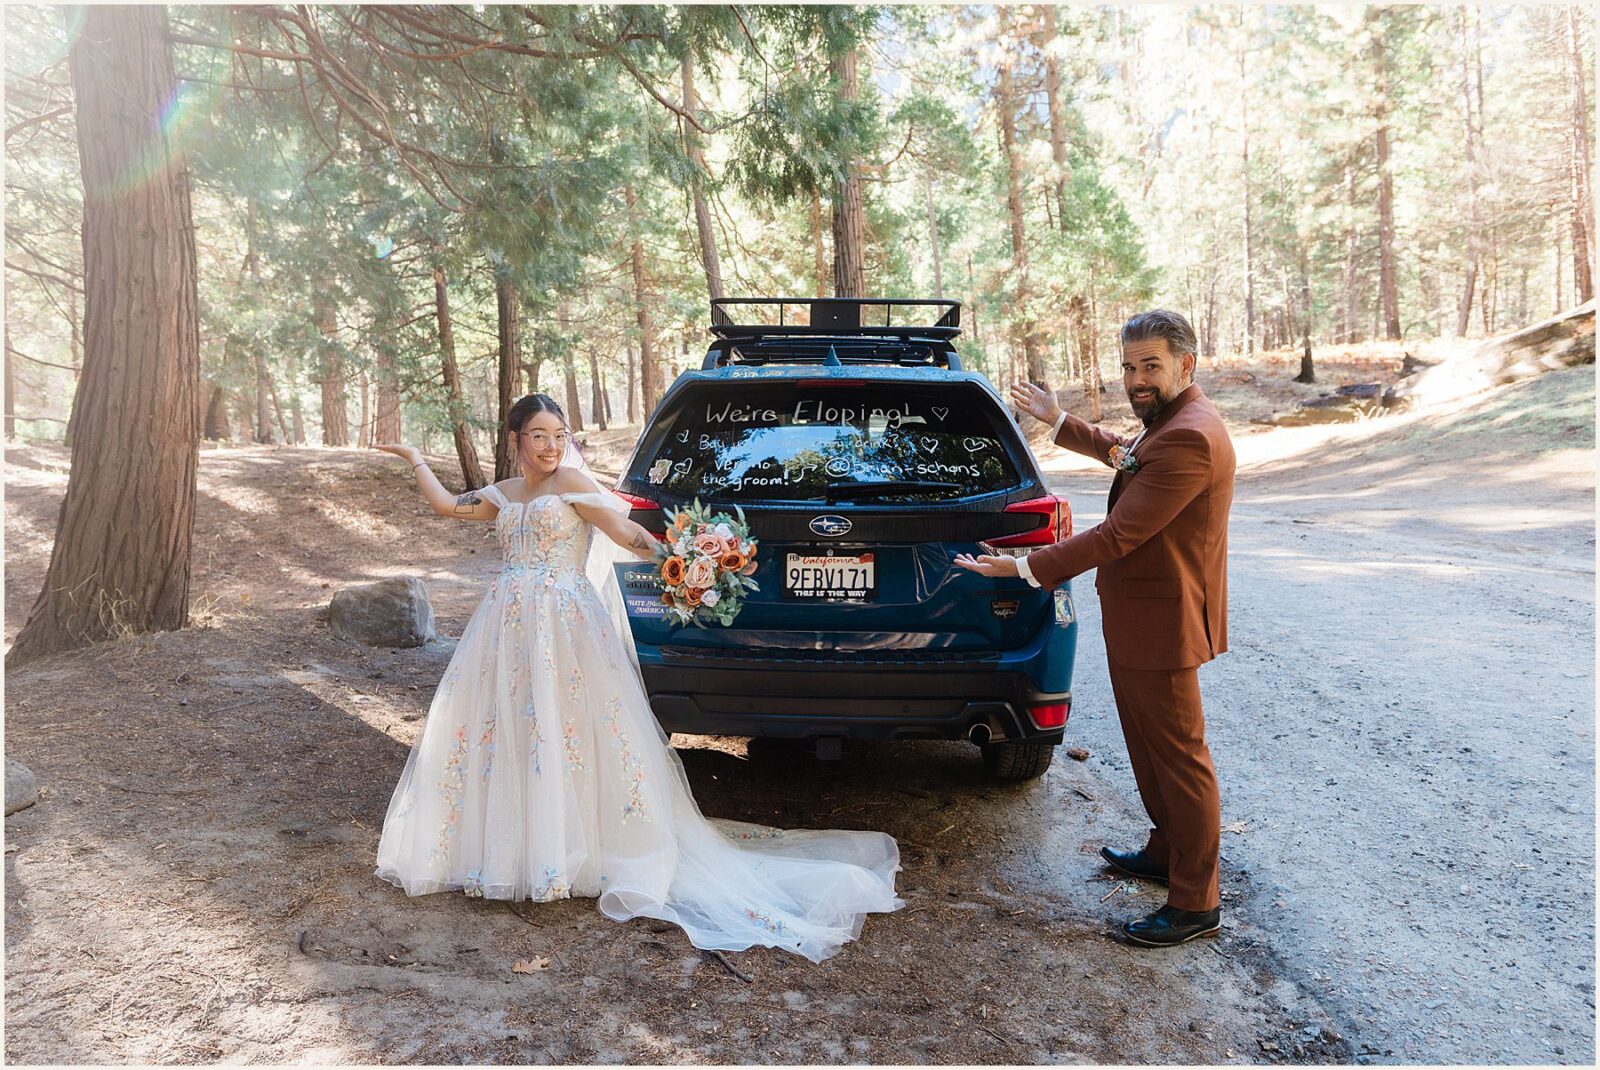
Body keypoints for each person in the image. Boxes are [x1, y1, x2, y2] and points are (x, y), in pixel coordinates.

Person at [370, 393, 902, 962]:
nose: (551, 446)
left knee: (566, 726)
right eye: (539, 436)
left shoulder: (571, 481)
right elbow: (448, 506)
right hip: (507, 625)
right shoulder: (505, 492)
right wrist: (414, 458)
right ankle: (517, 847)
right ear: (516, 439)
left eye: (559, 435)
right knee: (512, 725)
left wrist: (682, 561)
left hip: (563, 624)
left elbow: (624, 533)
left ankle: (574, 849)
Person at [955, 310, 1235, 947]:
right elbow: (1125, 454)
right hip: (1141, 617)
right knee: (1149, 747)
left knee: (1180, 758)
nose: (1137, 379)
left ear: (1186, 365)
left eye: (1151, 366)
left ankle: (1197, 902)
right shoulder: (1170, 422)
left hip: (1165, 624)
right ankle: (1165, 852)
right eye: (1130, 366)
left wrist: (1023, 567)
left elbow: (1117, 535)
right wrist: (1059, 422)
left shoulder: (1192, 436)